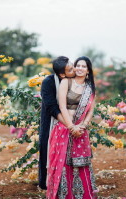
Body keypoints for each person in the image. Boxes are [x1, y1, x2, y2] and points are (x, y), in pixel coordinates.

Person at [47, 56, 98, 199]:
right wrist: (71, 127)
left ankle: (83, 195)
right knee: (63, 163)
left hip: (81, 131)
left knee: (81, 163)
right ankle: (64, 195)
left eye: (84, 66)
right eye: (78, 65)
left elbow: (91, 110)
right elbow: (61, 106)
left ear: (88, 70)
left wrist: (83, 125)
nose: (80, 68)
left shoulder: (90, 87)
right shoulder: (66, 82)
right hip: (64, 128)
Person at [39, 56, 76, 190]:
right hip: (52, 122)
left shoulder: (76, 80)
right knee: (48, 151)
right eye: (70, 69)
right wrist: (69, 124)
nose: (74, 70)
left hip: (72, 122)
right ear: (61, 74)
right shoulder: (48, 82)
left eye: (73, 65)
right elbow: (52, 108)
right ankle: (49, 185)